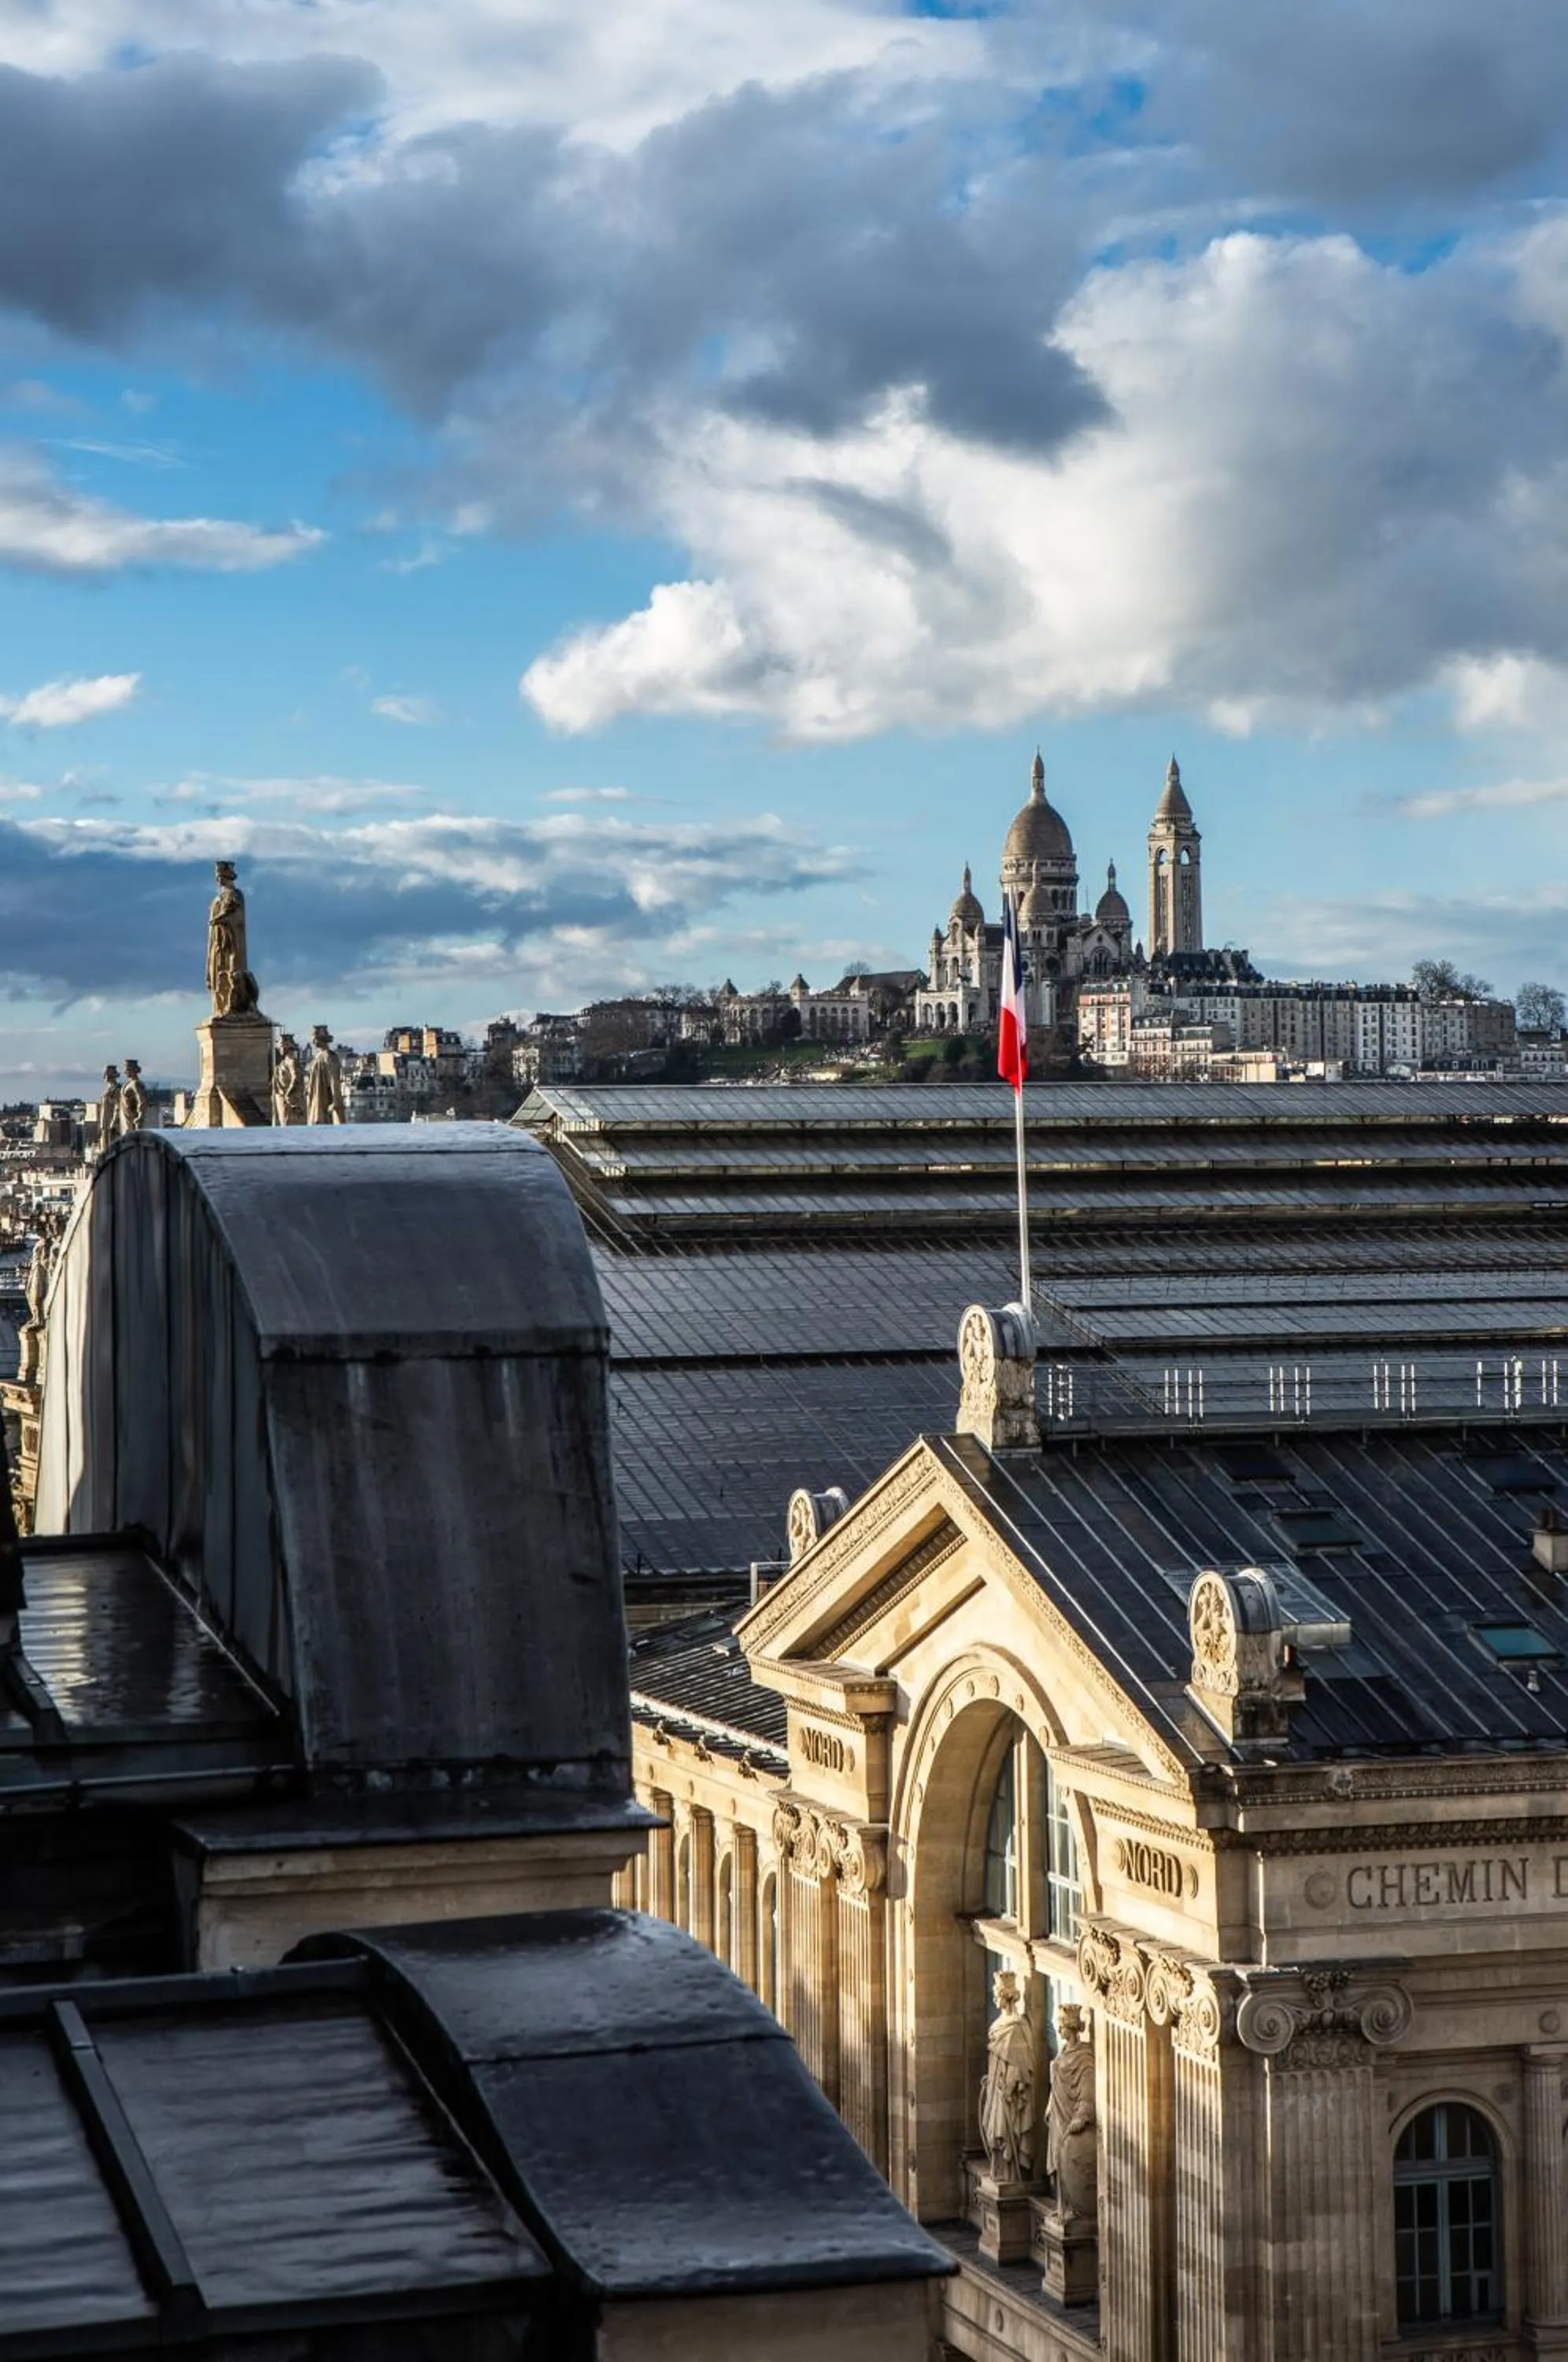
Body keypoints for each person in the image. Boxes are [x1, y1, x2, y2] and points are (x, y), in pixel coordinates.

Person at [978, 1969, 1035, 2183]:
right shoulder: (1000, 2025)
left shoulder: (1016, 2027)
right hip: (997, 2086)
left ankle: (1010, 2174)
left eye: (998, 1994)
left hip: (1006, 2092)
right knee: (993, 2129)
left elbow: (1019, 2064)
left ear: (1008, 1996)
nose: (995, 1999)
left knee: (1005, 2129)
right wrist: (991, 2077)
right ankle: (999, 2170)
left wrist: (1010, 2087)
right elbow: (1000, 2059)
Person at [1046, 2002, 1096, 2226]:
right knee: (1059, 2161)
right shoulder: (1063, 2052)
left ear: (1071, 2026)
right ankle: (1062, 2206)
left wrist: (1081, 2117)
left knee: (1069, 2161)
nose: (1058, 2029)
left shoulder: (1084, 2058)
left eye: (1060, 2024)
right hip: (1058, 2117)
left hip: (1070, 2121)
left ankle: (1073, 2208)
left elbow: (1088, 2093)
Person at [206, 861, 258, 1017]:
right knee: (219, 975)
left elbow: (237, 917)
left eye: (221, 875)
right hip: (218, 944)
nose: (218, 879)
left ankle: (234, 1005)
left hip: (232, 942)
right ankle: (220, 1008)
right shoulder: (216, 900)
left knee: (232, 972)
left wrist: (220, 919)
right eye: (217, 876)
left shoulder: (235, 895)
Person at [305, 1024, 345, 1125]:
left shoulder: (329, 1056)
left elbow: (334, 1079)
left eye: (316, 1037)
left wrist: (336, 1101)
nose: (313, 1041)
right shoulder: (316, 1057)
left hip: (323, 1098)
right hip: (315, 1097)